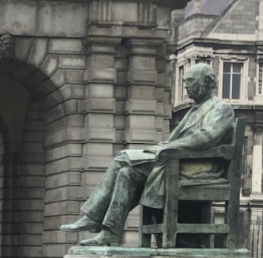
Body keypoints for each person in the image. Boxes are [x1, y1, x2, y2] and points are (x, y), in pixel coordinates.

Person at [61, 64, 235, 247]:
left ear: (206, 81)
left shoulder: (222, 108)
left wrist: (170, 147)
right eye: (185, 82)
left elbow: (207, 137)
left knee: (121, 160)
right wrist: (163, 147)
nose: (186, 86)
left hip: (199, 167)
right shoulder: (194, 110)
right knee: (126, 173)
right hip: (177, 159)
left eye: (190, 81)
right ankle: (110, 233)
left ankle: (92, 217)